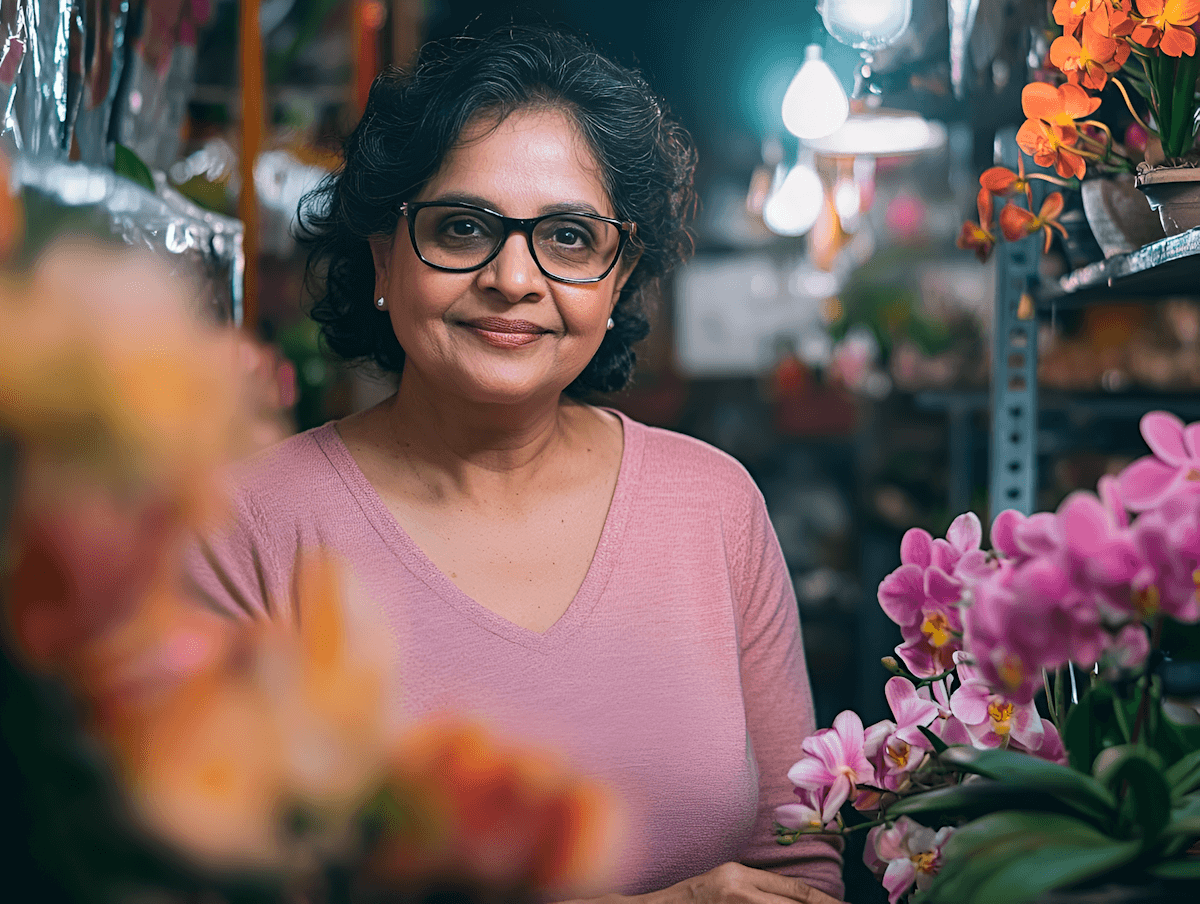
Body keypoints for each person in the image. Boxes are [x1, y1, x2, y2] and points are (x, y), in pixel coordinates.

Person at [185, 24, 844, 904]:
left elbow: (799, 869)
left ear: (618, 278)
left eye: (569, 237)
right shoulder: (248, 528)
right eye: (463, 227)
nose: (514, 277)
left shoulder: (714, 506)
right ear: (384, 254)